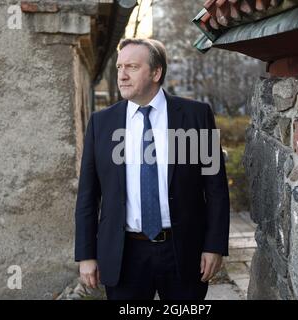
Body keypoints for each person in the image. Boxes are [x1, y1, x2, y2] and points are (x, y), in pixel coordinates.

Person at [74, 38, 230, 300]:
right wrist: (86, 254)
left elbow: (215, 188)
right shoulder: (102, 123)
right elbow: (88, 195)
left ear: (156, 72)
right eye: (120, 67)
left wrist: (214, 246)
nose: (121, 75)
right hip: (125, 254)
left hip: (183, 251)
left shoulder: (196, 116)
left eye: (132, 67)